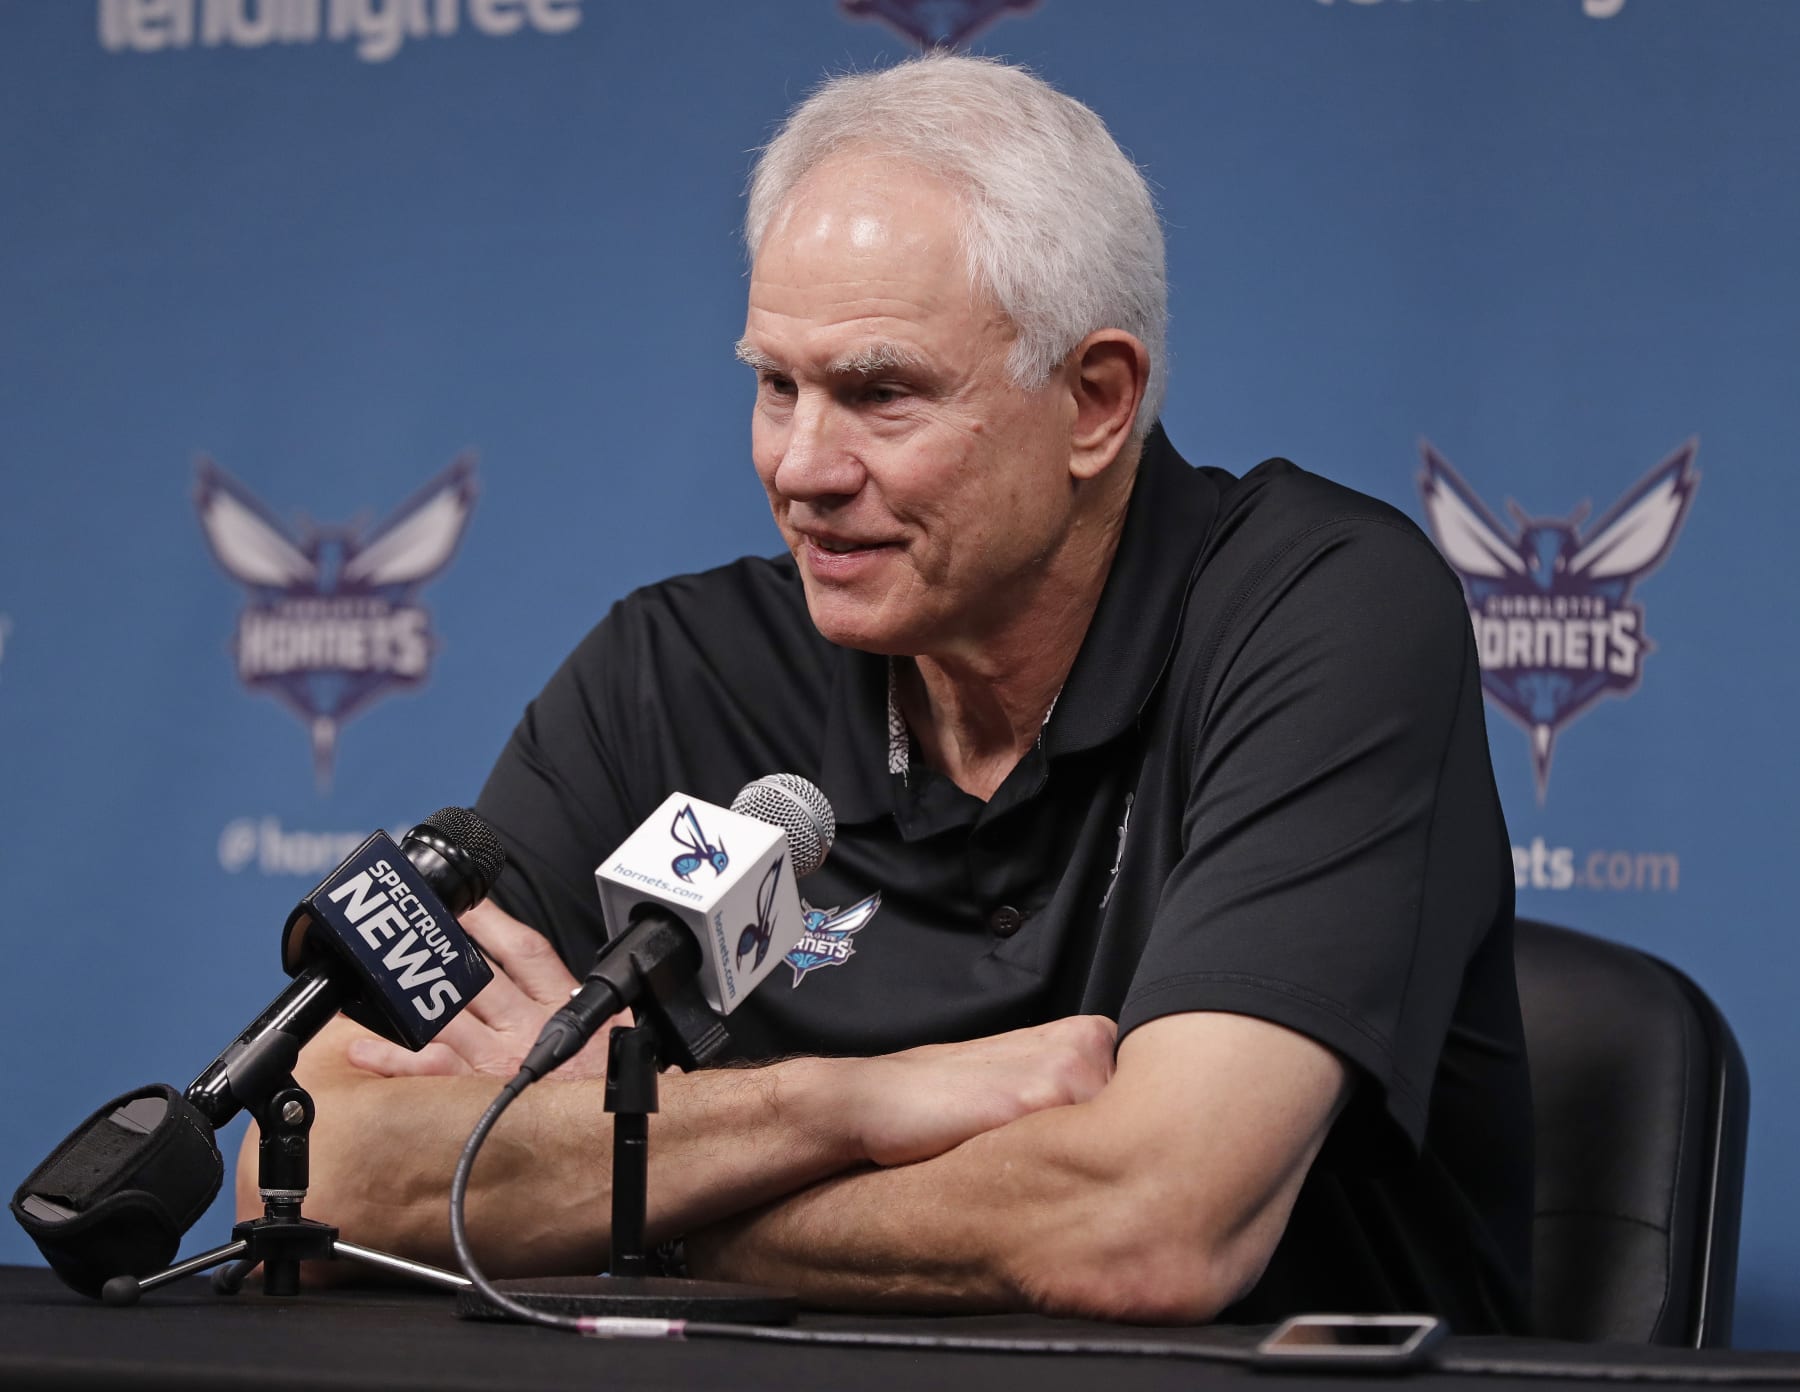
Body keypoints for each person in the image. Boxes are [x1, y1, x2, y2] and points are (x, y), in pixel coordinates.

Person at [243, 53, 1532, 1330]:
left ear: (1095, 402)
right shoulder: (677, 671)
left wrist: (617, 1192)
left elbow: (1145, 1227)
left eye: (878, 393)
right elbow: (300, 1171)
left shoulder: (1321, 610)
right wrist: (844, 1104)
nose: (801, 466)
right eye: (775, 384)